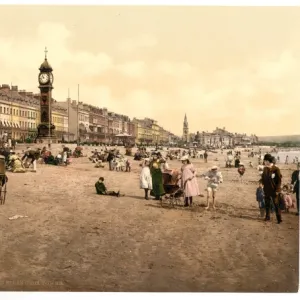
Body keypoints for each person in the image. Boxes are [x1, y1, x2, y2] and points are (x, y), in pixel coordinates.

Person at [261, 154, 282, 223]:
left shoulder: (276, 169)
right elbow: (263, 178)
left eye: (265, 161)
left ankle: (279, 219)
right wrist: (261, 184)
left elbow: (279, 181)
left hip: (274, 190)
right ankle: (267, 217)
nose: (264, 162)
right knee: (267, 204)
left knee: (276, 204)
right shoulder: (265, 169)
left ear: (268, 161)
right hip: (266, 190)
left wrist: (277, 190)